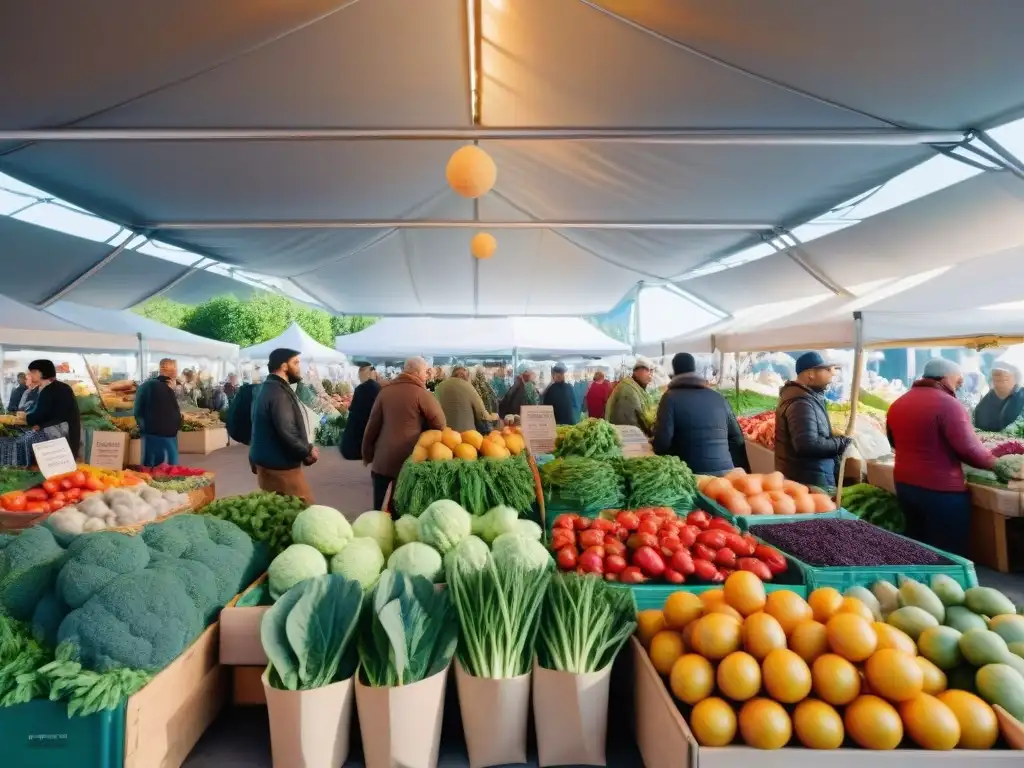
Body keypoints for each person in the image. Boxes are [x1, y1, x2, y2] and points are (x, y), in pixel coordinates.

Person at [887, 358, 996, 556]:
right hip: (941, 490)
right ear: (945, 378)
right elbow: (969, 450)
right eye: (958, 380)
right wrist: (996, 463)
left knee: (917, 544)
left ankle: (919, 583)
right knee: (948, 551)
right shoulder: (949, 405)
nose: (959, 384)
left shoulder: (898, 403)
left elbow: (893, 441)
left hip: (905, 484)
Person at [362, 356, 446, 510]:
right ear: (417, 372)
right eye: (425, 372)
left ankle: (377, 529)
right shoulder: (423, 394)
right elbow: (440, 424)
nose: (427, 375)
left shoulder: (385, 392)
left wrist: (367, 453)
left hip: (383, 460)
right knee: (401, 509)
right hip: (410, 460)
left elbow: (372, 426)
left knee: (378, 507)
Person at [653, 353, 749, 475]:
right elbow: (737, 438)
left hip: (690, 475)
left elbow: (662, 443)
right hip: (726, 477)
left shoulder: (669, 398)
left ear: (675, 371)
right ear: (694, 369)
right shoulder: (718, 397)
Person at [249, 348, 318, 504]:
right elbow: (287, 430)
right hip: (280, 468)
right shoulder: (277, 392)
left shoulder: (269, 388)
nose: (299, 367)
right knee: (305, 508)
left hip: (268, 463)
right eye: (295, 362)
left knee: (279, 512)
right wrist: (307, 450)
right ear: (284, 366)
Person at [774, 352, 851, 491]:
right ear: (811, 374)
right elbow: (807, 445)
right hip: (809, 482)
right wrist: (842, 442)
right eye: (827, 370)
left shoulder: (806, 398)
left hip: (811, 477)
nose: (832, 374)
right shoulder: (801, 403)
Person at [24, 359, 81, 457]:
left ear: (43, 373)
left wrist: (27, 418)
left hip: (58, 435)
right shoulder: (62, 387)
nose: (31, 375)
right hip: (68, 434)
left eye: (34, 372)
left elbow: (41, 414)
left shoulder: (49, 390)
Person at [134, 358, 182, 466]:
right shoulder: (169, 388)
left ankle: (148, 478)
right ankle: (169, 479)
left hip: (150, 430)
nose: (176, 371)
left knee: (150, 459)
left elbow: (137, 410)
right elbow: (173, 409)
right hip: (168, 432)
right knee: (171, 459)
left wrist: (142, 425)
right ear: (166, 369)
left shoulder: (145, 386)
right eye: (175, 368)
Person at [341, 364, 382, 460]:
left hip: (358, 423)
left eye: (360, 375)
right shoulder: (378, 387)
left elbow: (353, 408)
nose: (359, 377)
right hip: (372, 421)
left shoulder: (359, 389)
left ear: (365, 374)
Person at [435, 366, 491, 432]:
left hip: (443, 433)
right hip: (466, 435)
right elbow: (482, 414)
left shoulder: (439, 387)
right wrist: (493, 417)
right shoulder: (468, 387)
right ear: (464, 375)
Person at [974, 362, 1024, 433]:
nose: (1000, 384)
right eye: (996, 380)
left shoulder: (1021, 397)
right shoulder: (986, 401)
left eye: (1005, 380)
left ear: (1015, 381)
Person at [606, 360, 653, 435]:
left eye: (651, 371)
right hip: (626, 436)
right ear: (636, 372)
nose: (650, 374)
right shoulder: (627, 390)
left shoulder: (637, 387)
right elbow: (630, 422)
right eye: (647, 370)